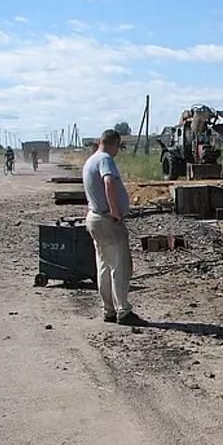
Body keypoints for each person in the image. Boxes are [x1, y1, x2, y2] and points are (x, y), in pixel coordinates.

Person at [82, 129, 142, 325]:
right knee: (120, 266)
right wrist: (116, 212)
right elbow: (108, 182)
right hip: (107, 219)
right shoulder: (105, 159)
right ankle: (123, 310)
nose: (118, 151)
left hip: (94, 217)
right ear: (114, 143)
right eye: (118, 147)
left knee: (104, 265)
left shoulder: (90, 160)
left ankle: (108, 309)